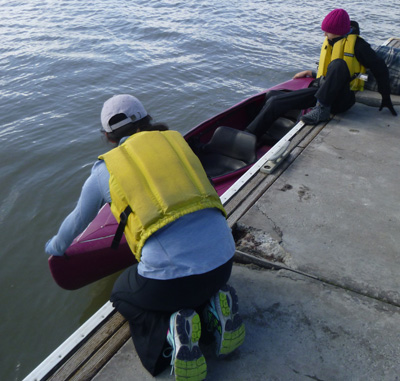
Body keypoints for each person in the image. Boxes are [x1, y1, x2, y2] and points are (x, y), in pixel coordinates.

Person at [45, 94, 245, 380]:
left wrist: (55, 247)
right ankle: (214, 306)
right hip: (225, 262)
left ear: (108, 137)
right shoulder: (176, 143)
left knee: (122, 294)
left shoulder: (105, 169)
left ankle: (174, 331)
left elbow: (78, 220)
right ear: (146, 119)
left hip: (173, 285)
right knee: (190, 278)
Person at [245, 8, 397, 139]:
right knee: (272, 96)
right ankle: (256, 131)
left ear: (337, 31)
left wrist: (385, 97)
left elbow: (380, 69)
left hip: (342, 97)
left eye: (327, 31)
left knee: (276, 102)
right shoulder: (333, 40)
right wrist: (311, 72)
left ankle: (247, 137)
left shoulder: (359, 46)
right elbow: (329, 72)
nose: (324, 34)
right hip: (324, 89)